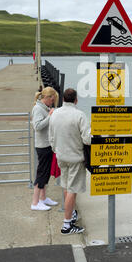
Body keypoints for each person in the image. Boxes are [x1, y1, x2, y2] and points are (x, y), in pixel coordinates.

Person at [49, 88, 91, 235]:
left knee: (66, 186)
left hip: (61, 156)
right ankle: (67, 225)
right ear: (76, 100)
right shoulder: (79, 115)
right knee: (73, 190)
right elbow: (87, 139)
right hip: (75, 158)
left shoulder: (55, 114)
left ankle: (71, 213)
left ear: (63, 99)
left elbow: (51, 137)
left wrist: (56, 150)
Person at [31, 86, 59, 211]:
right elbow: (37, 126)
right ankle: (35, 202)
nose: (53, 103)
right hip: (42, 146)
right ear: (46, 98)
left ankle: (43, 198)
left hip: (47, 145)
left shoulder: (45, 108)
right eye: (52, 100)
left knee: (46, 172)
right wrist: (50, 116)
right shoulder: (37, 109)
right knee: (41, 173)